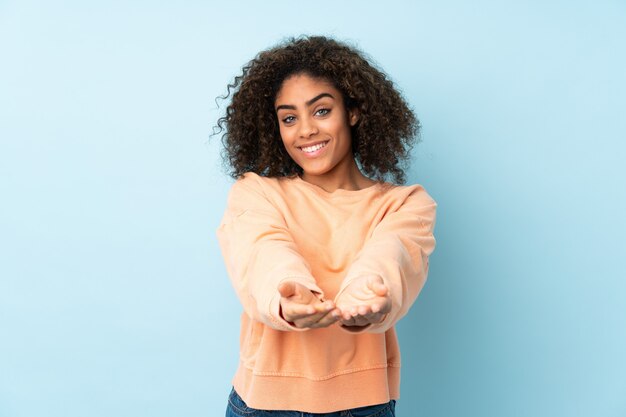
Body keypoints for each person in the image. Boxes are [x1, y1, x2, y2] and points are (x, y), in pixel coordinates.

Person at [214, 35, 437, 416]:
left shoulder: (405, 204)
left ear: (352, 111)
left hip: (362, 406)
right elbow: (264, 252)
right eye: (289, 118)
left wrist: (369, 295)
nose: (305, 131)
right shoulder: (256, 193)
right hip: (263, 405)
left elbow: (390, 256)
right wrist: (288, 297)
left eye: (320, 111)